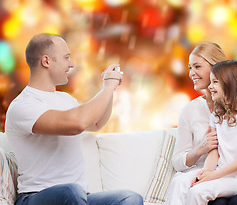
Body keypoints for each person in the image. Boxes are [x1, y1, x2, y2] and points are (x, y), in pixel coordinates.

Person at [5, 34, 144, 205]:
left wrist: (110, 89)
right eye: (66, 57)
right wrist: (107, 88)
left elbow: (96, 122)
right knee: (71, 191)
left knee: (130, 198)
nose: (71, 64)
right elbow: (77, 124)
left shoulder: (65, 99)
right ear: (46, 61)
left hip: (79, 198)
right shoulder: (23, 106)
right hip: (36, 197)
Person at [165, 42, 237, 205]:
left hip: (235, 176)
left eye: (197, 67)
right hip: (209, 174)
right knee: (192, 189)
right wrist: (200, 150)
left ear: (218, 68)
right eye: (189, 68)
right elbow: (178, 161)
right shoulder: (196, 112)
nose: (191, 73)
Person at [188, 60, 237, 204]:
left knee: (197, 192)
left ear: (229, 84)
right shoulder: (216, 115)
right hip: (220, 176)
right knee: (190, 185)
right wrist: (205, 172)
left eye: (215, 82)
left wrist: (213, 176)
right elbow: (214, 153)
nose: (210, 87)